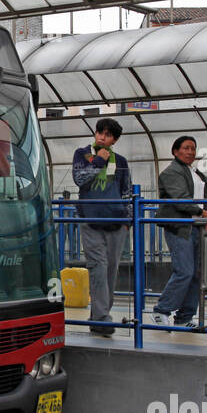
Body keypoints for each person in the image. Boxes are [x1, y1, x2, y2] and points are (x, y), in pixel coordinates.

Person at [72, 117, 132, 337]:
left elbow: (127, 192)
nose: (102, 138)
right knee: (98, 268)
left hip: (116, 223)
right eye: (100, 133)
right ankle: (103, 320)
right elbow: (79, 179)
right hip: (91, 222)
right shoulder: (83, 154)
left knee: (110, 272)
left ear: (114, 140)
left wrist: (128, 221)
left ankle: (99, 317)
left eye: (108, 135)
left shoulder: (122, 161)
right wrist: (97, 161)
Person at [152, 136, 207, 327]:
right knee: (184, 271)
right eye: (186, 148)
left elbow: (206, 195)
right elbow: (180, 198)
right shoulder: (171, 172)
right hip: (180, 227)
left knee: (196, 273)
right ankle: (161, 310)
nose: (190, 152)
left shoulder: (195, 172)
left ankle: (185, 316)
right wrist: (201, 211)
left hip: (196, 226)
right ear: (175, 151)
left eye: (193, 149)